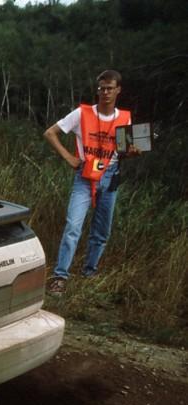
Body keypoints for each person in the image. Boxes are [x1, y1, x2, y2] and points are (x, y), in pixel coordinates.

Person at [43, 69, 139, 296]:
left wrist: (131, 153)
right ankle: (59, 277)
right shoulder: (82, 113)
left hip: (111, 175)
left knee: (102, 230)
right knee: (73, 226)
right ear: (97, 90)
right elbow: (50, 133)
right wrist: (69, 158)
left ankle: (89, 272)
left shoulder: (125, 117)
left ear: (118, 90)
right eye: (101, 88)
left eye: (110, 88)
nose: (105, 92)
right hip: (84, 177)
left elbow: (122, 151)